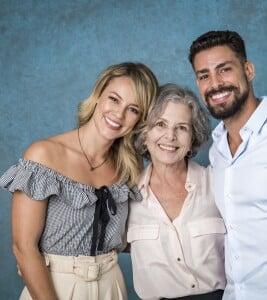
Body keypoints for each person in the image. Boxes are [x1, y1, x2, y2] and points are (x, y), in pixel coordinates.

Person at [0, 62, 158, 300]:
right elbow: (24, 248)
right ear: (98, 95)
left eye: (133, 109)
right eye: (114, 99)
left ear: (140, 118)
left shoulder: (129, 168)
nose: (119, 114)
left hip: (111, 286)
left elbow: (130, 238)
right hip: (54, 287)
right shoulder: (44, 155)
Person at [188, 30, 267, 300]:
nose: (215, 84)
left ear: (248, 70)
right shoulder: (217, 149)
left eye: (224, 69)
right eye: (204, 75)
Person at [127, 83, 226, 300]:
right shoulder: (126, 196)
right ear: (144, 134)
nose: (170, 136)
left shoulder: (218, 182)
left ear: (192, 138)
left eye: (181, 127)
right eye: (160, 124)